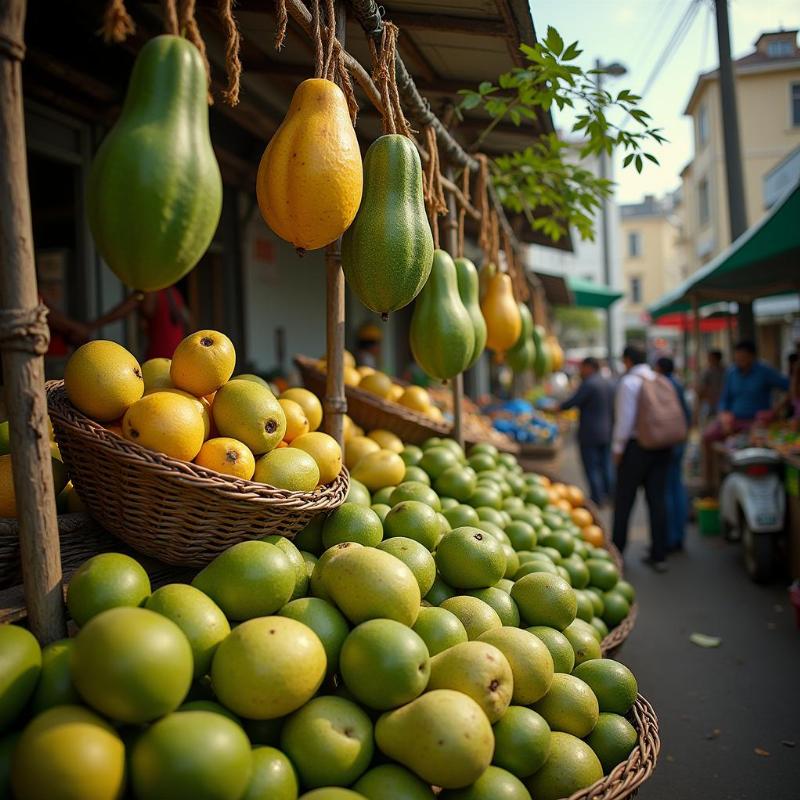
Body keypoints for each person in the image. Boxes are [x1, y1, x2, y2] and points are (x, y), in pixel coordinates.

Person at [611, 345, 672, 572]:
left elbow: (624, 422)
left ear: (627, 360)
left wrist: (617, 451)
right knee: (657, 502)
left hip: (636, 449)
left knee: (624, 502)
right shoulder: (658, 378)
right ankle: (660, 555)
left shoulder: (629, 383)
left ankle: (617, 553)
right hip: (662, 447)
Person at [702, 340, 789, 483]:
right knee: (707, 437)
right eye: (737, 358)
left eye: (743, 358)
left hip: (756, 423)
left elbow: (790, 388)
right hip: (734, 420)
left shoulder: (764, 371)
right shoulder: (731, 373)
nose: (739, 361)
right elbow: (725, 399)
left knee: (754, 446)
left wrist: (775, 411)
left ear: (752, 357)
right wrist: (724, 416)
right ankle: (711, 483)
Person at [557, 357, 615, 506]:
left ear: (589, 367)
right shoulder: (608, 382)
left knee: (592, 467)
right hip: (607, 431)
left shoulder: (589, 384)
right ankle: (609, 494)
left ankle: (597, 498)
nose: (580, 371)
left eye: (582, 367)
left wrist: (557, 407)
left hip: (590, 433)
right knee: (606, 464)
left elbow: (572, 402)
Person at [89, 287, 191, 360]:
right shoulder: (171, 292)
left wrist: (92, 326)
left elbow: (122, 310)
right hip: (170, 358)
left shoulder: (153, 291)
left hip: (164, 358)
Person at [655, 356, 690, 553]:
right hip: (679, 441)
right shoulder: (677, 384)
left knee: (665, 492)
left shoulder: (661, 385)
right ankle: (679, 536)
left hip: (666, 444)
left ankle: (669, 538)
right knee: (677, 488)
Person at [697, 349, 725, 421]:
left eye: (710, 358)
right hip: (710, 402)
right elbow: (701, 388)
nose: (709, 360)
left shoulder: (726, 371)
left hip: (719, 401)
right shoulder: (707, 371)